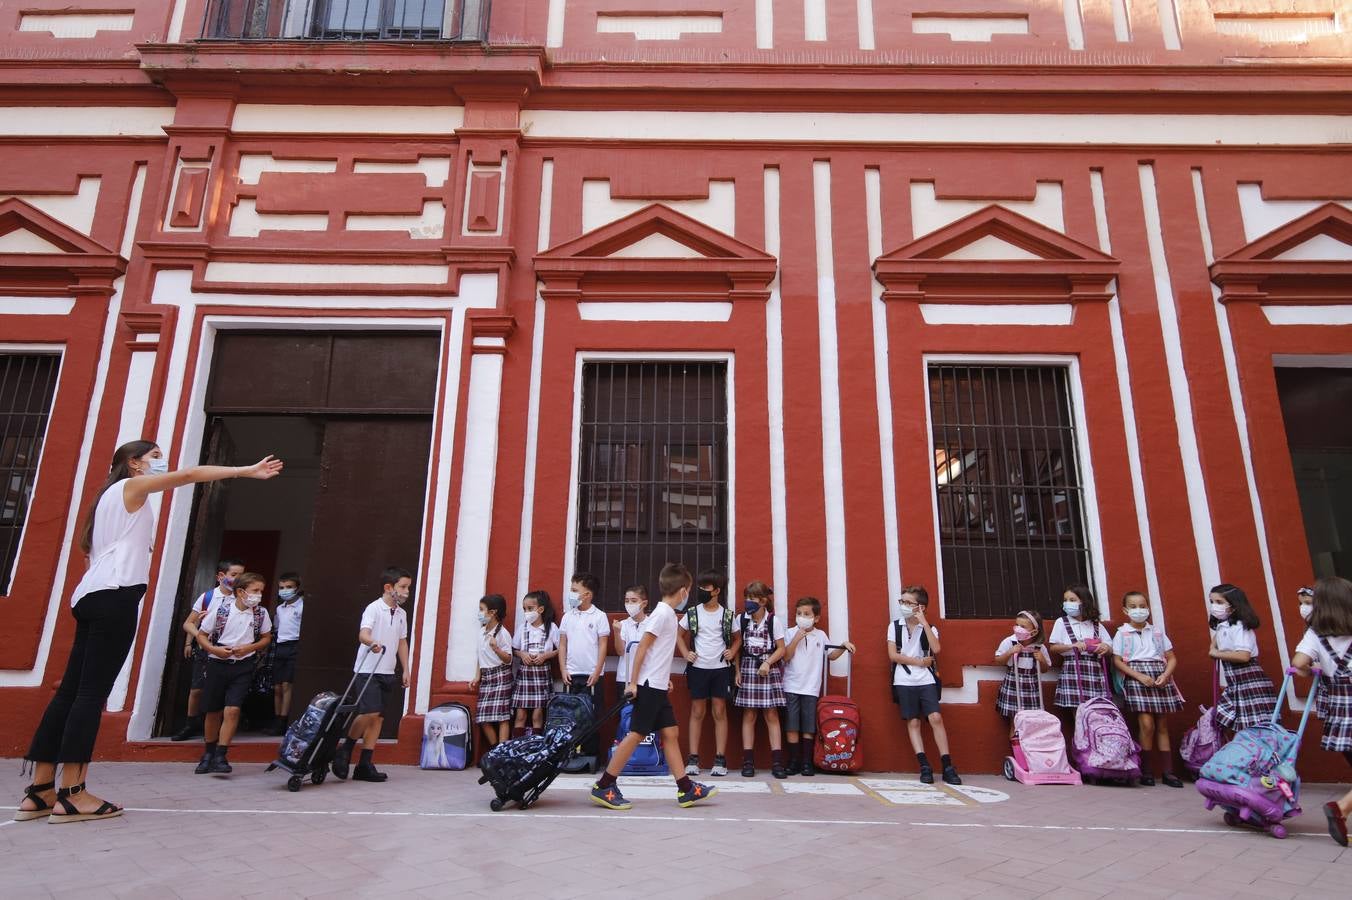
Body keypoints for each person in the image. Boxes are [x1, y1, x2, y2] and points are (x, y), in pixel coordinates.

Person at [15, 441, 281, 824]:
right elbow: (188, 476)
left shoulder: (106, 499)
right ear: (134, 464)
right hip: (115, 598)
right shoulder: (130, 487)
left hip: (90, 596)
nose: (162, 462)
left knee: (70, 693)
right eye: (154, 457)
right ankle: (73, 794)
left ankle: (40, 791)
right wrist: (243, 471)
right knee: (91, 695)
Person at [590, 563, 716, 810]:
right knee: (636, 734)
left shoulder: (666, 613)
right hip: (647, 686)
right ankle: (604, 785)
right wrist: (634, 682)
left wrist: (662, 676)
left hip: (656, 685)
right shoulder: (662, 615)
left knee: (670, 734)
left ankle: (686, 789)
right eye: (688, 590)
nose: (688, 595)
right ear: (682, 591)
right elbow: (642, 649)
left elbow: (656, 653)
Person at [187, 572, 272, 775]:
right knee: (213, 710)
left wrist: (250, 648)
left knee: (232, 709)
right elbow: (202, 635)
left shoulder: (261, 614)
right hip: (218, 663)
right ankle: (208, 752)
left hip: (243, 665)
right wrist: (214, 650)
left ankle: (221, 753)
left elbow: (266, 638)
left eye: (261, 591)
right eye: (255, 591)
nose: (258, 595)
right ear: (241, 592)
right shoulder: (221, 610)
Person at [332, 567, 412, 783]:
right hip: (369, 669)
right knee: (369, 712)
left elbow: (402, 641)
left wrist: (405, 668)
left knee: (378, 718)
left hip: (387, 670)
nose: (406, 592)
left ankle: (365, 763)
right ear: (389, 587)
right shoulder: (374, 609)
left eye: (408, 588)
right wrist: (372, 642)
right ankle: (345, 748)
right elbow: (363, 633)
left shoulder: (402, 614)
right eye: (402, 587)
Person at [1291, 575, 1352, 847]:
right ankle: (1340, 809)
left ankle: (1342, 810)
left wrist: (1313, 670)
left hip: (1341, 714)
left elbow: (1299, 662)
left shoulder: (1315, 633)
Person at [886, 586, 960, 785]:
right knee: (913, 721)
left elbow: (936, 648)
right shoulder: (895, 626)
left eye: (907, 603)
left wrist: (924, 623)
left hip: (926, 679)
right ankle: (924, 765)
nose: (903, 606)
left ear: (921, 607)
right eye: (901, 602)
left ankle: (947, 765)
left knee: (935, 717)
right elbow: (893, 655)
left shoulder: (930, 628)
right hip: (903, 679)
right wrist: (918, 662)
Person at [1112, 591, 1184, 787]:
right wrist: (1139, 676)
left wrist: (1165, 675)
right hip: (1137, 676)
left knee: (1161, 724)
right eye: (1134, 607)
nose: (1139, 610)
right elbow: (1117, 660)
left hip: (1158, 674)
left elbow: (1171, 657)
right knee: (1146, 724)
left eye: (1142, 606)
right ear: (1125, 610)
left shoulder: (1157, 632)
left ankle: (1168, 772)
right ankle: (1147, 770)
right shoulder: (1122, 633)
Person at [172, 558, 245, 741]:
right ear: (221, 576)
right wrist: (196, 639)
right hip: (206, 649)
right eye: (234, 575)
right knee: (196, 689)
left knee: (222, 691)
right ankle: (190, 723)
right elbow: (189, 623)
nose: (238, 579)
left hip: (229, 650)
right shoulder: (208, 597)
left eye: (241, 575)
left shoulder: (241, 598)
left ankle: (220, 729)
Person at [676, 568, 739, 777]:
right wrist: (686, 653)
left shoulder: (728, 615)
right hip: (698, 669)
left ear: (717, 591)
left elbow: (738, 638)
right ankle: (693, 758)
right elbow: (678, 634)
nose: (702, 591)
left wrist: (733, 650)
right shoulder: (692, 613)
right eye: (700, 587)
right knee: (697, 711)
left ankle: (720, 758)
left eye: (706, 588)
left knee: (720, 711)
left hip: (721, 669)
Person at [782, 596, 853, 777]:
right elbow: (786, 656)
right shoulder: (790, 633)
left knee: (808, 726)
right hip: (791, 686)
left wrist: (843, 646)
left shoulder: (820, 635)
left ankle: (807, 762)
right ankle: (793, 761)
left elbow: (830, 656)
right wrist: (797, 639)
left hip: (811, 688)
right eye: (799, 613)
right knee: (791, 725)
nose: (802, 617)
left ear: (816, 618)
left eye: (806, 614)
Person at [1208, 583, 1277, 733]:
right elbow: (1214, 645)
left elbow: (1243, 656)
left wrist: (1216, 653)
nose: (1214, 606)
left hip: (1249, 682)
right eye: (1212, 602)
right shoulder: (1223, 626)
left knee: (1255, 727)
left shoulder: (1240, 626)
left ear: (1234, 606)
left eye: (1219, 602)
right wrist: (1214, 648)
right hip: (1235, 684)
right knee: (1227, 719)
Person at [735, 580, 787, 778]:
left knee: (771, 715)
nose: (748, 602)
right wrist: (737, 671)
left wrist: (768, 662)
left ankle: (777, 762)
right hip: (748, 668)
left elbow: (781, 648)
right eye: (746, 598)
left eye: (752, 598)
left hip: (767, 669)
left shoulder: (774, 621)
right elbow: (739, 647)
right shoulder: (742, 619)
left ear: (763, 601)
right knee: (749, 715)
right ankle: (748, 761)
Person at [558, 572, 609, 756]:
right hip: (571, 674)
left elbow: (603, 645)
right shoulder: (567, 616)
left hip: (591, 676)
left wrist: (597, 671)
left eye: (574, 590)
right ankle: (570, 753)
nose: (570, 593)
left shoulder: (599, 616)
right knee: (570, 716)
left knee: (591, 715)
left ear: (587, 594)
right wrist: (563, 669)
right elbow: (563, 644)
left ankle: (590, 754)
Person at [1049, 584, 1114, 722]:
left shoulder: (1096, 625)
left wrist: (1104, 647)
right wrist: (1072, 646)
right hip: (1073, 668)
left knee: (1098, 711)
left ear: (1084, 602)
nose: (1067, 603)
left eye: (1072, 600)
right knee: (1078, 713)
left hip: (1094, 670)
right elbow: (1053, 647)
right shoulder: (1062, 622)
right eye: (1065, 600)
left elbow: (1110, 648)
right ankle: (1081, 741)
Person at [995, 610, 1052, 736]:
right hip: (1013, 685)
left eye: (1023, 627)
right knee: (1015, 723)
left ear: (1034, 631)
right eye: (1017, 625)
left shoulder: (1039, 647)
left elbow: (1044, 669)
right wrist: (1010, 652)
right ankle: (1017, 752)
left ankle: (1030, 751)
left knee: (1031, 722)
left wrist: (1042, 660)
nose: (1018, 629)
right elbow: (998, 660)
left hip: (1031, 688)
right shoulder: (1010, 641)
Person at [511, 590, 558, 738]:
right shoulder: (522, 628)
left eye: (530, 609)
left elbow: (561, 650)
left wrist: (546, 656)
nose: (526, 612)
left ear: (541, 609)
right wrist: (522, 654)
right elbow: (514, 649)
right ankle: (517, 745)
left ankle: (536, 744)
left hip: (542, 673)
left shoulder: (552, 628)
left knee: (537, 715)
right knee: (520, 715)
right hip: (525, 673)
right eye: (524, 609)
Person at [471, 593, 513, 749]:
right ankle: (495, 747)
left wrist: (496, 648)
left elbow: (508, 659)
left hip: (501, 674)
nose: (479, 613)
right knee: (482, 717)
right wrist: (477, 677)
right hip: (487, 677)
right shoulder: (481, 632)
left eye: (482, 609)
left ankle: (502, 750)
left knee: (502, 716)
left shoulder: (503, 634)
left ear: (492, 613)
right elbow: (479, 657)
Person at [266, 572, 304, 736]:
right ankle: (276, 718)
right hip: (280, 645)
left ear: (297, 588)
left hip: (294, 645)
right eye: (282, 588)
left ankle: (284, 719)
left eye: (289, 587)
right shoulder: (280, 609)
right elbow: (276, 628)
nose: (285, 590)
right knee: (277, 686)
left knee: (288, 684)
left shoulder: (302, 606)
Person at [613, 585, 649, 689]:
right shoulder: (623, 624)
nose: (629, 604)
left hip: (646, 678)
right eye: (627, 601)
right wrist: (616, 632)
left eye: (633, 601)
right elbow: (620, 651)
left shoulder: (651, 624)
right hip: (625, 677)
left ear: (644, 603)